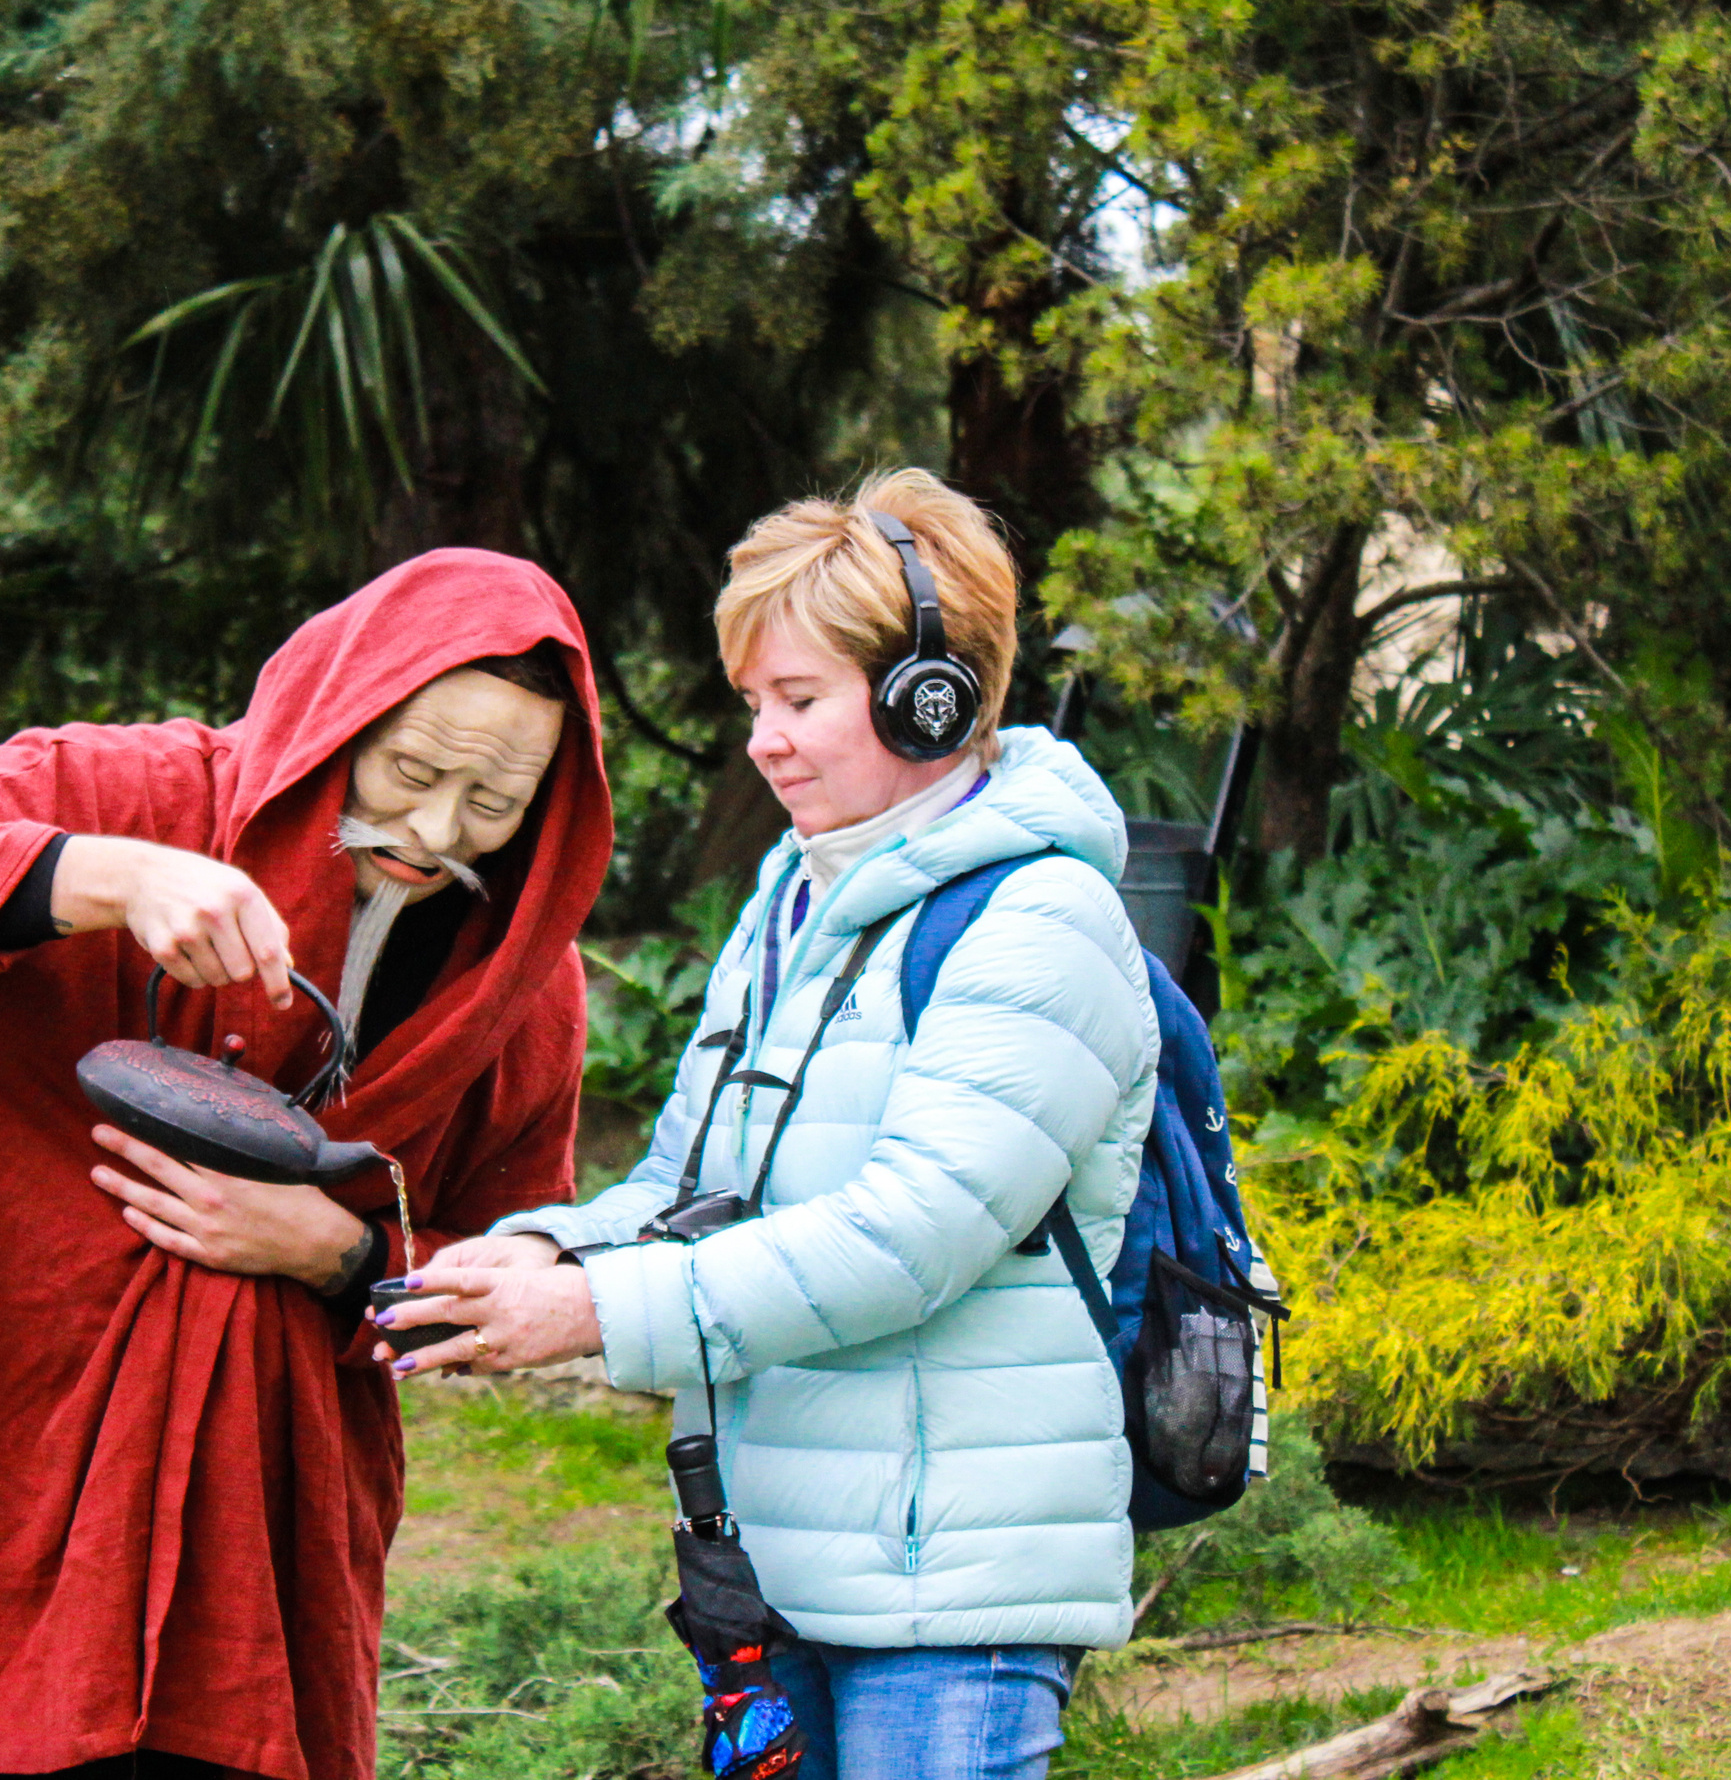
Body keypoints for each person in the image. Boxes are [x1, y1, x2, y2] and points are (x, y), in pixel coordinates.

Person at [0, 550, 614, 1780]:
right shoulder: (132, 792)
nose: (436, 833)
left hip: (267, 1522)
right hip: (5, 1449)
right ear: (346, 711)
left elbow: (504, 1263)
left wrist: (338, 1252)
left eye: (494, 801)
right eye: (413, 772)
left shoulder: (525, 986)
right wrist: (106, 875)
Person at [378, 470, 1160, 1779]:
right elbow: (693, 1177)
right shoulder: (794, 904)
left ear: (935, 697)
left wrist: (598, 1319)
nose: (764, 741)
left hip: (946, 1601)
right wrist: (551, 1254)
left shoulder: (1041, 922)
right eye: (755, 704)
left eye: (800, 700)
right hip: (770, 1563)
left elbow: (906, 1244)